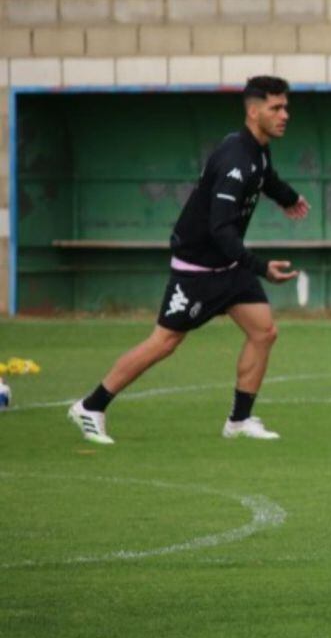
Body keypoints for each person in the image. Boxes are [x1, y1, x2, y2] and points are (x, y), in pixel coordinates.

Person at [68, 75, 310, 445]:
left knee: (264, 332)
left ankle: (239, 421)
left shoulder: (257, 151)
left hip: (228, 265)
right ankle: (91, 406)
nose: (285, 115)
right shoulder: (235, 160)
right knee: (165, 342)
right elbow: (220, 229)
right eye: (276, 108)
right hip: (198, 271)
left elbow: (266, 178)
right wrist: (261, 268)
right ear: (253, 111)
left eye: (285, 107)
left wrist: (289, 198)